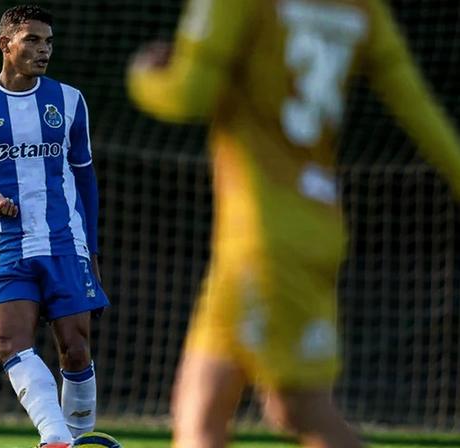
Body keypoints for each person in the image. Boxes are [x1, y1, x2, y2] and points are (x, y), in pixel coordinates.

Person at [127, 1, 460, 447]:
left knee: (298, 409)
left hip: (263, 237)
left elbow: (190, 95)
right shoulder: (364, 8)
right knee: (200, 406)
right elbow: (422, 113)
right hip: (309, 225)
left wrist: (144, 76)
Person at [0, 5, 108, 447]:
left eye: (48, 41)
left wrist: (90, 250)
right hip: (5, 248)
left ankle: (76, 437)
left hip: (63, 243)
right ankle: (57, 440)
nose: (43, 49)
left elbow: (85, 177)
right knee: (7, 340)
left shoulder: (69, 101)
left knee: (75, 346)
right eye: (32, 39)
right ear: (5, 44)